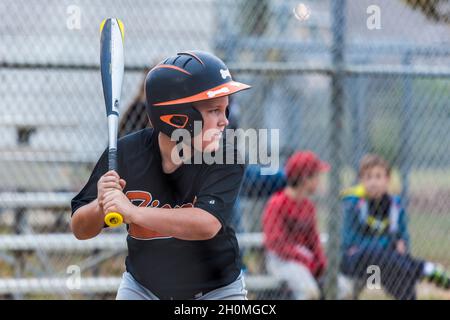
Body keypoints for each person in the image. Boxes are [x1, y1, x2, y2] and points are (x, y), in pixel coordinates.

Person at [70, 51, 251, 300]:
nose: (225, 121)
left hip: (216, 290)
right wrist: (100, 205)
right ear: (178, 116)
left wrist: (132, 212)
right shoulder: (127, 153)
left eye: (225, 110)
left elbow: (206, 224)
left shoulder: (227, 153)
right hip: (144, 289)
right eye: (214, 111)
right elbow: (80, 228)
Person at [340, 153, 450, 300]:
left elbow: (403, 241)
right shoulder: (354, 205)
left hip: (389, 264)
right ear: (361, 181)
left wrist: (396, 246)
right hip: (357, 261)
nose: (373, 182)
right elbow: (351, 243)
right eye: (368, 177)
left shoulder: (395, 207)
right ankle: (423, 269)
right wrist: (389, 244)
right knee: (380, 256)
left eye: (378, 177)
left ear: (387, 180)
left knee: (400, 273)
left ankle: (415, 274)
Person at [262, 151, 352, 300]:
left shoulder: (308, 205)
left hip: (306, 260)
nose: (320, 181)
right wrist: (305, 259)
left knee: (344, 289)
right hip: (282, 261)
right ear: (304, 178)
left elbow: (313, 241)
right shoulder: (277, 203)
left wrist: (321, 263)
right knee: (309, 293)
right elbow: (276, 243)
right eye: (316, 176)